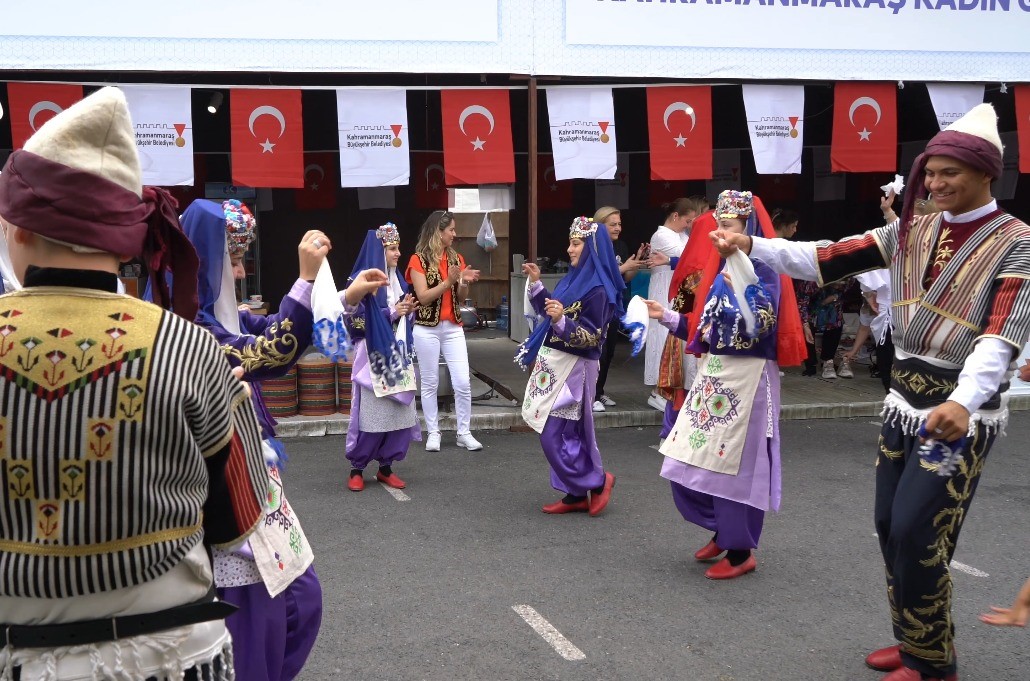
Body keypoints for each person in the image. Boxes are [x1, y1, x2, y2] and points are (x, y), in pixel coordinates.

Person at [708, 104, 1030, 681]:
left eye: (948, 173)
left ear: (987, 174)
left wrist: (964, 400)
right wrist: (750, 245)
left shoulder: (1018, 242)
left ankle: (934, 663)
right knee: (888, 524)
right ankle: (916, 644)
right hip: (902, 406)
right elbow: (824, 258)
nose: (934, 184)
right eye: (929, 173)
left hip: (957, 417)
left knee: (916, 529)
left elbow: (1001, 335)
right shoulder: (912, 227)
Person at [0, 87, 269, 680]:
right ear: (125, 238)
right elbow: (241, 521)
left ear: (18, 230)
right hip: (174, 658)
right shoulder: (193, 349)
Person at [168, 198, 325, 681]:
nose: (239, 272)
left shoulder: (224, 315)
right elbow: (270, 351)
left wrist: (349, 296)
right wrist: (304, 278)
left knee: (298, 600)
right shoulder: (190, 329)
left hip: (252, 480)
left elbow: (273, 330)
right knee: (257, 620)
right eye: (231, 261)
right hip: (225, 497)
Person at [648, 190, 806, 580]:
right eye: (717, 224)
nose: (720, 232)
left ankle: (740, 549)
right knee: (689, 456)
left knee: (735, 464)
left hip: (749, 377)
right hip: (714, 373)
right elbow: (706, 327)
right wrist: (667, 317)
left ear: (746, 229)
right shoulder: (718, 268)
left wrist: (737, 283)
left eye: (729, 226)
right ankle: (721, 528)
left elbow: (758, 326)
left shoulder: (763, 268)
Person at [517, 216, 623, 516]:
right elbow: (552, 312)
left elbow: (592, 337)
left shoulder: (599, 290)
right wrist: (538, 285)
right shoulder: (574, 279)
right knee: (563, 434)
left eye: (576, 244)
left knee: (553, 434)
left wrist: (561, 320)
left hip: (575, 370)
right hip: (555, 364)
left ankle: (598, 481)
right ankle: (577, 492)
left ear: (590, 247)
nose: (569, 249)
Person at [343, 223, 421, 492]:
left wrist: (407, 311)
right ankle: (357, 467)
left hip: (398, 353)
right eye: (392, 249)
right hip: (372, 355)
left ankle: (386, 467)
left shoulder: (398, 279)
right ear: (379, 251)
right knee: (371, 414)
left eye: (398, 247)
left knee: (400, 411)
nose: (398, 253)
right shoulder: (358, 283)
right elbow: (354, 324)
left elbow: (403, 316)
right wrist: (392, 313)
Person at [406, 210, 482, 452]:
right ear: (438, 232)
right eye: (451, 230)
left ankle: (464, 432)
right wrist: (448, 282)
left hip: (452, 327)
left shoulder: (456, 258)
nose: (454, 234)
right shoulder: (418, 259)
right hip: (426, 328)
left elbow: (460, 299)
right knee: (430, 381)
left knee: (462, 381)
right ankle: (433, 432)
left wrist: (463, 283)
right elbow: (423, 297)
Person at [656, 201, 713, 445]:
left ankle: (677, 434)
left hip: (683, 330)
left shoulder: (694, 260)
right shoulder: (702, 266)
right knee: (687, 385)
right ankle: (676, 435)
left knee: (684, 385)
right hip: (691, 333)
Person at [644, 197, 708, 410]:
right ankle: (658, 391)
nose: (689, 225)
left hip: (675, 289)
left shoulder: (680, 234)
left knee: (675, 338)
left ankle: (671, 389)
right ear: (675, 216)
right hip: (664, 290)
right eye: (687, 220)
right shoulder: (661, 235)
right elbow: (691, 258)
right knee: (663, 337)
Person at [592, 206, 646, 413]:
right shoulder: (594, 246)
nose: (617, 228)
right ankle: (592, 394)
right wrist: (623, 267)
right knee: (599, 350)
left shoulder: (620, 246)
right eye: (612, 224)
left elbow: (624, 278)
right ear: (600, 226)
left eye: (619, 224)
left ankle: (600, 391)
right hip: (598, 304)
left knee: (610, 350)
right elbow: (599, 275)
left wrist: (634, 264)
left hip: (615, 302)